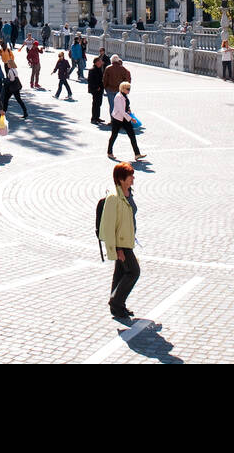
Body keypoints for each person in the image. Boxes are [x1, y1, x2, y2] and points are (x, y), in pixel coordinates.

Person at [98, 162, 139, 322]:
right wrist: (116, 249)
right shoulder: (113, 198)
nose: (133, 178)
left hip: (127, 239)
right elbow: (109, 226)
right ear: (121, 179)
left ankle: (118, 307)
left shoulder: (128, 194)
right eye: (130, 175)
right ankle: (115, 301)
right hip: (121, 243)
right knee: (134, 272)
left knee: (121, 273)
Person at [108, 81, 144, 160]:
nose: (129, 90)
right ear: (123, 89)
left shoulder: (124, 95)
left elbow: (126, 106)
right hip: (118, 119)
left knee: (132, 135)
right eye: (128, 89)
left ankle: (137, 154)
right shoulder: (118, 97)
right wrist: (131, 118)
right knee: (114, 135)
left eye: (129, 89)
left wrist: (129, 109)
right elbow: (121, 110)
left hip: (124, 118)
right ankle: (109, 152)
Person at [1, 47, 29, 120]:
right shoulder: (14, 69)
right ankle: (25, 112)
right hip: (16, 87)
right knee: (18, 100)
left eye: (8, 64)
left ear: (10, 64)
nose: (7, 65)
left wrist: (6, 81)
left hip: (12, 87)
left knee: (6, 99)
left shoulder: (10, 71)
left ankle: (3, 112)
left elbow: (12, 79)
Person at [102, 55, 131, 121]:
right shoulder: (123, 69)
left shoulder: (108, 68)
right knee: (120, 106)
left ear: (111, 60)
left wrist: (105, 88)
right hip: (120, 90)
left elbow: (105, 79)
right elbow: (127, 79)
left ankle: (113, 120)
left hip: (110, 89)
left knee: (112, 106)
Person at [87, 56, 106, 126]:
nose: (101, 62)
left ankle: (97, 117)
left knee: (99, 103)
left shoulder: (99, 69)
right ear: (96, 62)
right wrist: (96, 87)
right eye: (100, 61)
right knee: (95, 104)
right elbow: (90, 81)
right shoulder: (92, 70)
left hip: (100, 89)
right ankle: (94, 118)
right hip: (95, 90)